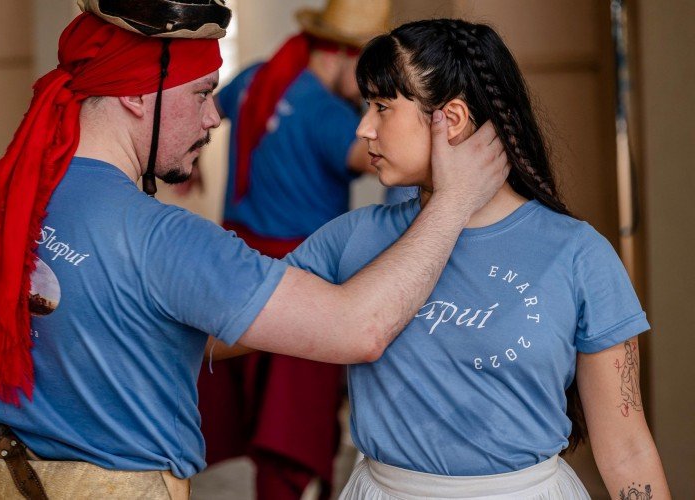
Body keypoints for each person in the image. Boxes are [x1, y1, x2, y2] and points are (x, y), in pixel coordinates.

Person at [0, 4, 508, 498]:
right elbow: (360, 329)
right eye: (201, 93)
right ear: (138, 96)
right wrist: (453, 202)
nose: (216, 116)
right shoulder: (165, 240)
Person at [284, 19, 671, 499]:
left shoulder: (578, 252)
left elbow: (628, 448)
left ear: (453, 118)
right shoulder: (350, 240)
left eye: (383, 107)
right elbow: (237, 315)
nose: (364, 128)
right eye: (366, 106)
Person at [194, 1, 389, 497]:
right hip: (297, 284)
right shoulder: (329, 115)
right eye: (370, 77)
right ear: (343, 55)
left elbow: (207, 110)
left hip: (235, 270)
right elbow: (386, 159)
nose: (372, 96)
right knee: (289, 424)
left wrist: (192, 163)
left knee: (254, 405)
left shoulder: (259, 78)